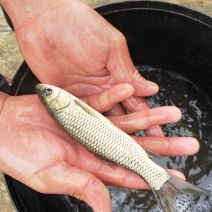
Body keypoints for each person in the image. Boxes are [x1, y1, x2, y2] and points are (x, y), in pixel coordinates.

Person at [0, 0, 199, 211]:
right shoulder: (67, 106)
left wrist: (42, 9)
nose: (47, 89)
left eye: (47, 92)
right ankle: (161, 182)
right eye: (48, 93)